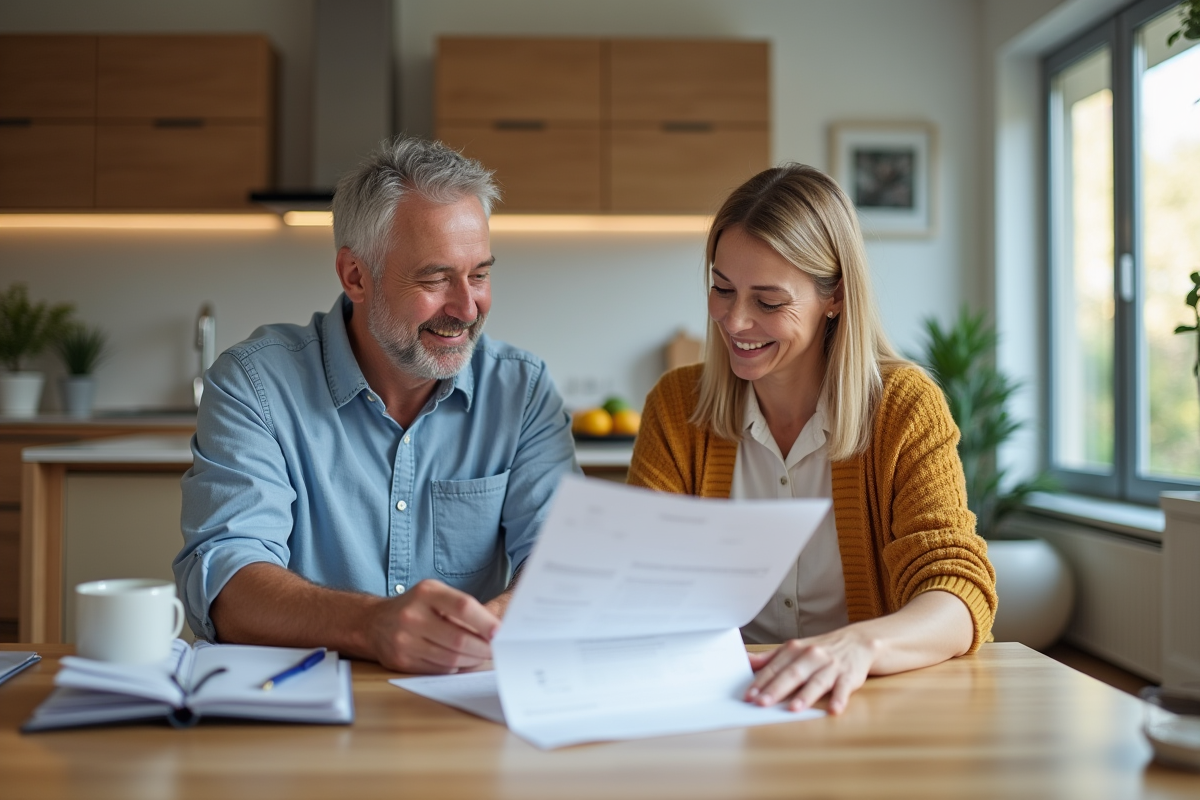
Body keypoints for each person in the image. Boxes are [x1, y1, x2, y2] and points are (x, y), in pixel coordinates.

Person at [174, 137, 578, 674]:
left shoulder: (521, 391)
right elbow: (227, 582)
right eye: (435, 278)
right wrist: (372, 625)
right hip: (298, 699)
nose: (467, 307)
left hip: (458, 699)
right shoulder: (255, 385)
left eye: (479, 275)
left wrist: (491, 628)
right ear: (355, 276)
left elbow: (561, 559)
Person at [627, 164, 996, 715]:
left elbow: (957, 589)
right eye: (722, 289)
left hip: (865, 704)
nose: (735, 321)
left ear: (836, 296)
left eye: (768, 301)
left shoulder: (904, 408)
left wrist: (860, 646)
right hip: (722, 704)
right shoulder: (677, 406)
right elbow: (637, 579)